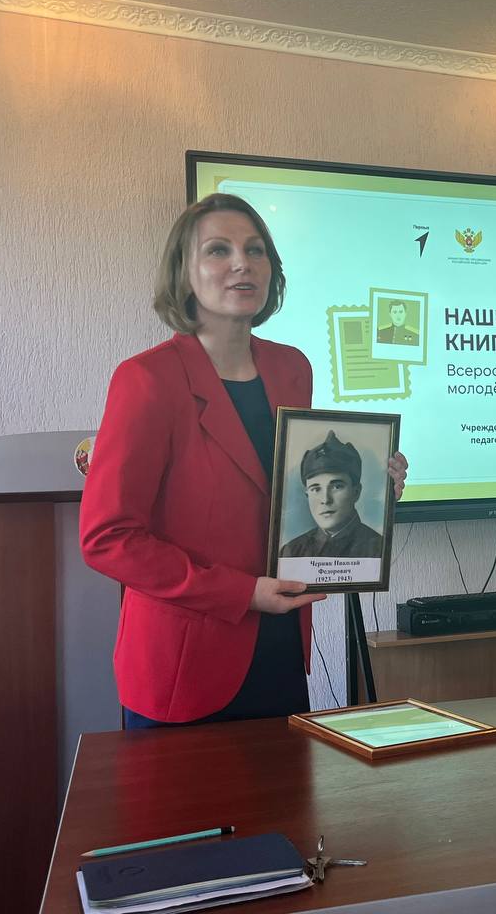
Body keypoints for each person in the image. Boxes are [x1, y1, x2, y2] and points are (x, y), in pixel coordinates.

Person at [80, 192, 407, 728]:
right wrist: (242, 593)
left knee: (284, 787)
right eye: (218, 250)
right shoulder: (147, 380)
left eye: (256, 250)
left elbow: (289, 498)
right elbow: (107, 539)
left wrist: (374, 488)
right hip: (184, 665)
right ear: (184, 273)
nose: (242, 263)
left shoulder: (292, 368)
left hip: (281, 644)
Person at [280, 431, 384, 557]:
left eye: (337, 487)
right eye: (316, 489)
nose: (325, 499)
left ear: (356, 492)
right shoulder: (292, 551)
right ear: (307, 496)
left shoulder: (379, 548)